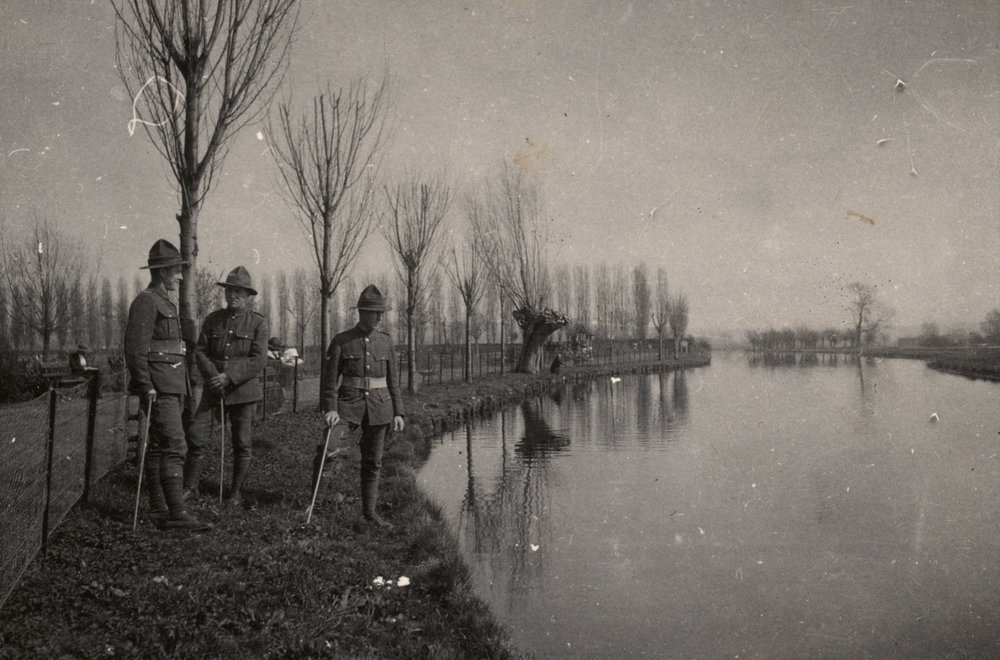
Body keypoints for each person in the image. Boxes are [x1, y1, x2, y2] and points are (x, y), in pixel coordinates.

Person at [124, 239, 212, 531]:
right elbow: (135, 349)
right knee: (175, 445)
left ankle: (160, 507)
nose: (180, 276)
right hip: (159, 388)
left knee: (161, 446)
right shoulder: (146, 302)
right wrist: (144, 384)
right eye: (176, 271)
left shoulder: (166, 303)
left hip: (174, 385)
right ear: (162, 272)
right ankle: (177, 513)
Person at [320, 284, 405, 528]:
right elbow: (328, 381)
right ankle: (314, 507)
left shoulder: (386, 342)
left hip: (380, 408)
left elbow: (393, 381)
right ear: (361, 313)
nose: (379, 318)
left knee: (373, 462)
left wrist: (398, 412)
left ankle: (370, 514)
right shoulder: (342, 341)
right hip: (348, 405)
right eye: (373, 313)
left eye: (381, 313)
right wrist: (330, 408)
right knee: (329, 451)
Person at [183, 266, 268, 507]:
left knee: (242, 442)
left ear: (248, 295)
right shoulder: (213, 320)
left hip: (243, 392)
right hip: (213, 389)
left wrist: (229, 377)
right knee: (196, 435)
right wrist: (214, 376)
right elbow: (200, 351)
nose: (233, 295)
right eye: (230, 290)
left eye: (238, 291)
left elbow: (258, 359)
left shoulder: (258, 323)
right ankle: (190, 487)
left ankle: (236, 493)